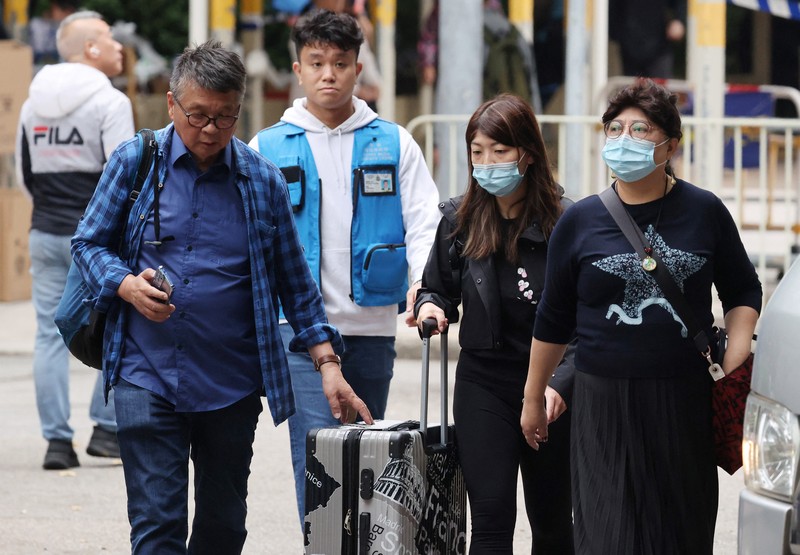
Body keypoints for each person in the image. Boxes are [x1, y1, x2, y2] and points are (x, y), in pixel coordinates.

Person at [70, 40, 373, 553]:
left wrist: (327, 363)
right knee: (157, 527)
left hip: (231, 386)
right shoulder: (134, 163)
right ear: (171, 104)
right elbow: (88, 243)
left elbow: (294, 282)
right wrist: (124, 284)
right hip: (146, 376)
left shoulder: (261, 181)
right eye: (197, 116)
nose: (210, 131)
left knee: (224, 526)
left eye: (225, 118)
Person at [521, 79, 762, 554]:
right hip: (600, 400)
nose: (624, 139)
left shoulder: (704, 210)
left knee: (681, 531)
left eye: (641, 129)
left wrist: (732, 360)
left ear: (670, 145)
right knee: (607, 532)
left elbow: (743, 290)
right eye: (616, 128)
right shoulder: (580, 221)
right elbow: (552, 320)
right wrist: (533, 397)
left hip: (683, 399)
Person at [249, 9, 440, 525]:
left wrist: (424, 290)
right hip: (298, 334)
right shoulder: (265, 148)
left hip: (373, 328)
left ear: (359, 68)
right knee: (319, 460)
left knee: (369, 459)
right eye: (317, 63)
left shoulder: (394, 141)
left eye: (340, 62)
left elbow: (424, 223)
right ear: (298, 69)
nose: (328, 74)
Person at [414, 94, 574, 554]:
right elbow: (437, 287)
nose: (487, 163)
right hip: (484, 382)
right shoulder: (460, 219)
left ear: (527, 152)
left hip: (552, 387)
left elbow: (587, 322)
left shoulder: (568, 222)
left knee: (552, 520)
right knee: (489, 517)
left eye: (499, 151)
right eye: (477, 152)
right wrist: (431, 306)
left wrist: (559, 385)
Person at [15, 9, 133, 470]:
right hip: (94, 242)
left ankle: (56, 444)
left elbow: (26, 177)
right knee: (113, 324)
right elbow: (124, 177)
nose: (119, 44)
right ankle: (106, 430)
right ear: (90, 50)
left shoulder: (31, 105)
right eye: (109, 37)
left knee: (48, 334)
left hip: (44, 231)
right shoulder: (109, 102)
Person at [609, 0, 686, 78]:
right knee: (633, 86)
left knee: (659, 86)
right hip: (629, 47)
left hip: (659, 47)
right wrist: (617, 35)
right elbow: (611, 8)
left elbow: (680, 3)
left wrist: (679, 20)